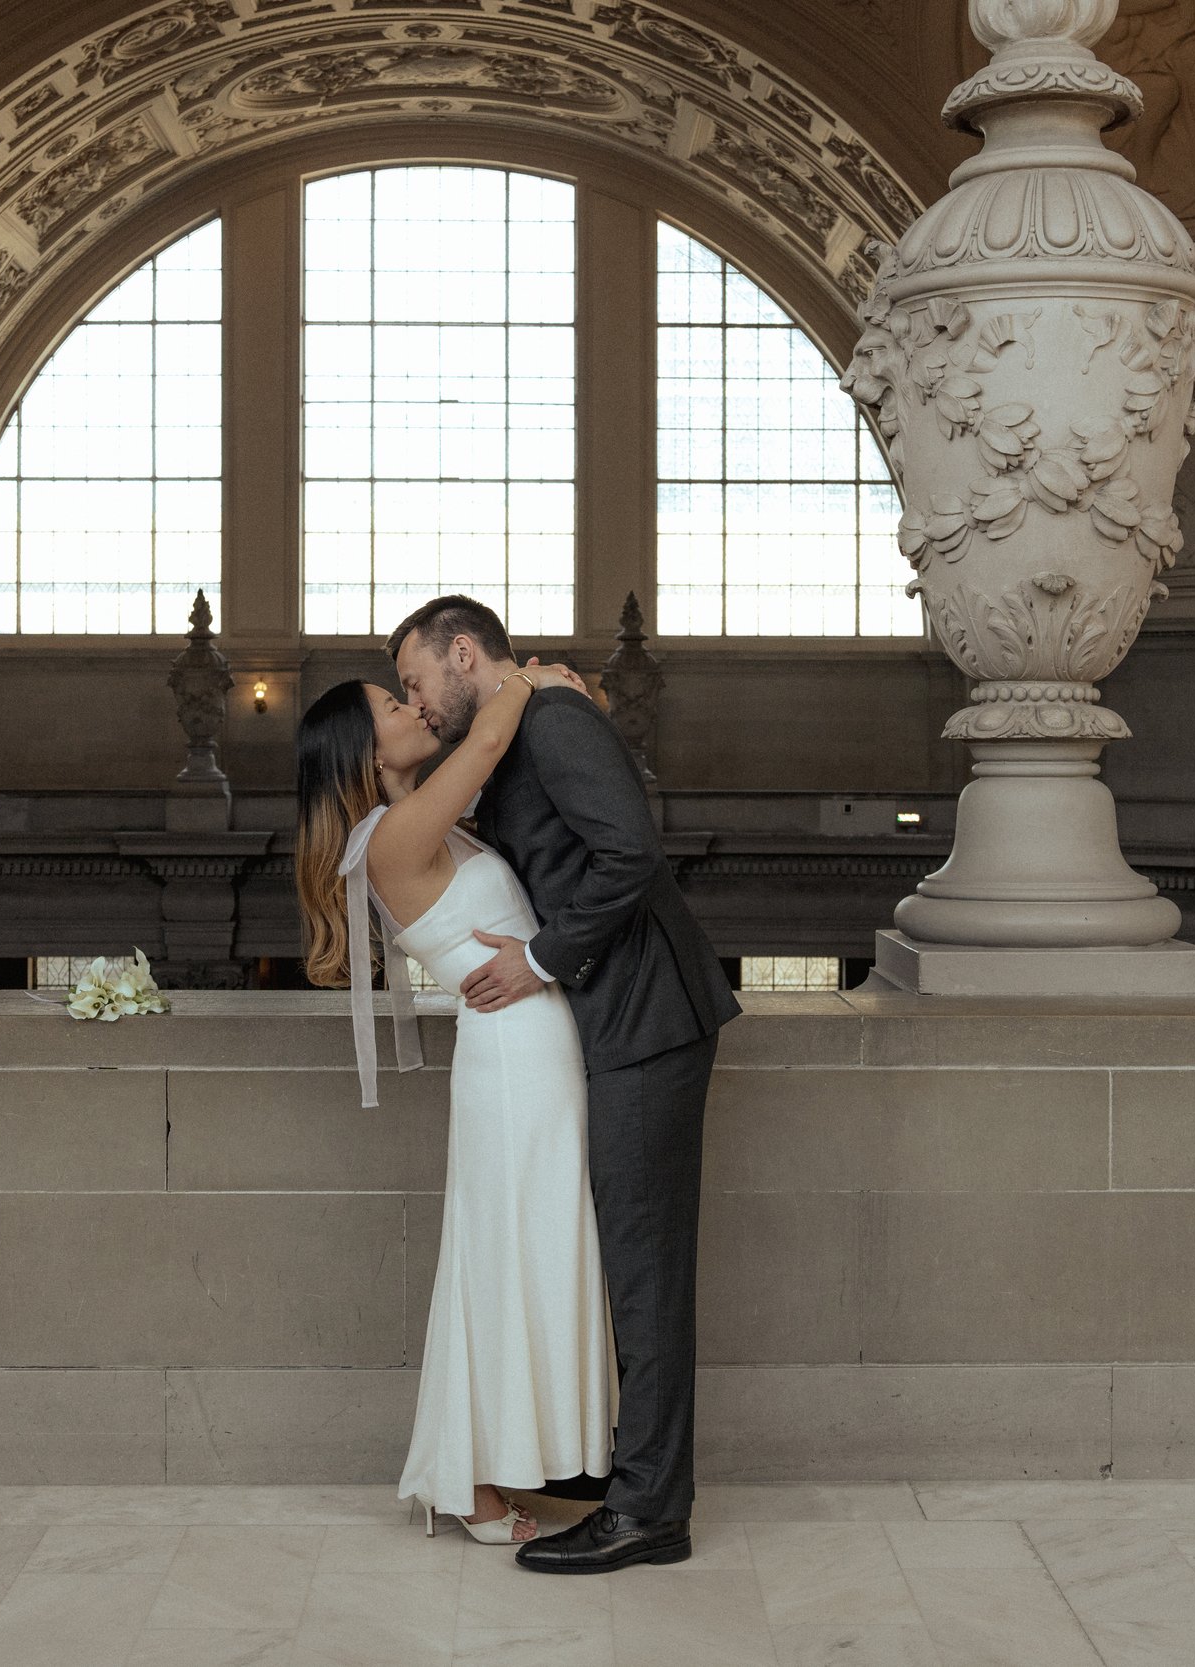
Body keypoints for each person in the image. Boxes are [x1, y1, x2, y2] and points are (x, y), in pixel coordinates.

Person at [391, 595, 740, 1576]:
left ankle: (648, 1513)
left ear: (464, 653)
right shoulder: (527, 719)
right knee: (630, 1264)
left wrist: (540, 957)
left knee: (646, 1272)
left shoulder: (552, 717)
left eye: (419, 680)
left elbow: (631, 850)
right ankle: (627, 1479)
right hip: (618, 1024)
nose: (417, 704)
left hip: (647, 1023)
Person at [295, 655, 606, 1544]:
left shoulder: (429, 821)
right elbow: (496, 730)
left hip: (532, 1052)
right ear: (366, 746)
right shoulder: (390, 839)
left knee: (518, 1251)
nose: (414, 706)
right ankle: (471, 1485)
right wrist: (520, 675)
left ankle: (486, 1471)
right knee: (505, 1255)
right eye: (395, 704)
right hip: (513, 1063)